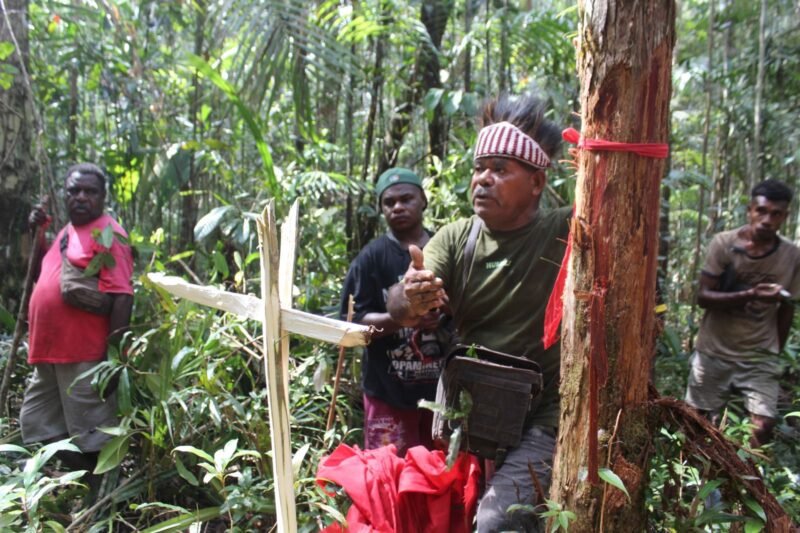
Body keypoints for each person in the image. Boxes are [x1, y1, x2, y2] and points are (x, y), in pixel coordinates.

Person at [387, 94, 570, 532]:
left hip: (547, 415)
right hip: (476, 420)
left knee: (495, 522)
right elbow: (399, 301)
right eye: (478, 168)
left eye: (500, 170)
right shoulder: (457, 238)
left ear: (537, 183)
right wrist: (411, 297)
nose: (482, 180)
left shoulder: (565, 230)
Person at [20, 163, 134, 497]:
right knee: (36, 425)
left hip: (84, 355)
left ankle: (104, 500)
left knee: (91, 435)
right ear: (65, 195)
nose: (81, 197)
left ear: (102, 197)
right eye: (74, 191)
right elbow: (45, 271)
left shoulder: (109, 234)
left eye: (90, 191)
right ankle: (89, 483)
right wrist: (35, 233)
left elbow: (123, 297)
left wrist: (113, 359)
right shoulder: (67, 232)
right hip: (48, 353)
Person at [340, 168, 449, 457]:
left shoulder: (446, 248)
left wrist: (441, 317)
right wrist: (399, 319)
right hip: (387, 395)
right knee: (387, 478)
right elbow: (352, 325)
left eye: (406, 199)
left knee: (439, 479)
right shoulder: (371, 258)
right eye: (389, 202)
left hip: (441, 395)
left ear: (423, 201)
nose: (398, 207)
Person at [686, 179, 800, 447]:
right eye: (761, 211)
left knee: (763, 426)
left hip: (758, 355)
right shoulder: (725, 244)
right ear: (750, 210)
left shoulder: (792, 256)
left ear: (785, 217)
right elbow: (704, 297)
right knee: (695, 424)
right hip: (714, 351)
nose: (767, 220)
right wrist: (750, 294)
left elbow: (787, 309)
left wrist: (774, 351)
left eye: (776, 214)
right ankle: (690, 484)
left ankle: (740, 483)